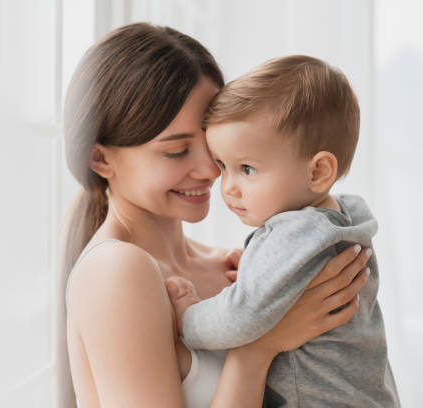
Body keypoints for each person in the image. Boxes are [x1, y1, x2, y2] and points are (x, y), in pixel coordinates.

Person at [58, 24, 372, 408]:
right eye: (176, 151)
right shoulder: (118, 270)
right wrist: (259, 349)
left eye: (213, 144)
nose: (211, 170)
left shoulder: (236, 267)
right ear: (101, 158)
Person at [168, 55, 400, 407]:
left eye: (247, 169)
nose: (227, 186)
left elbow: (241, 316)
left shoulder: (295, 233)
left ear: (319, 171)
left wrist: (187, 316)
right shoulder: (340, 221)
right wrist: (256, 268)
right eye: (222, 166)